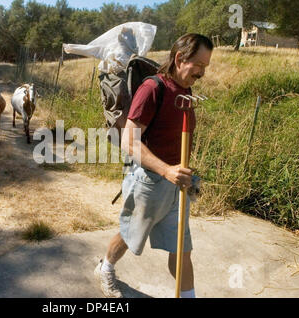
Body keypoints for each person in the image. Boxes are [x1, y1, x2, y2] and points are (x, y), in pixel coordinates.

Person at [94, 33, 214, 298]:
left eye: (206, 66)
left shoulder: (186, 90)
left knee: (182, 250)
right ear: (180, 58)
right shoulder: (152, 88)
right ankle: (106, 267)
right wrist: (166, 170)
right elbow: (130, 142)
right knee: (129, 235)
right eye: (200, 65)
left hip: (177, 186)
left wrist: (181, 173)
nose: (203, 72)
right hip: (149, 182)